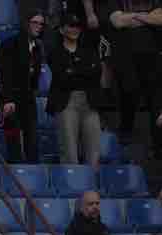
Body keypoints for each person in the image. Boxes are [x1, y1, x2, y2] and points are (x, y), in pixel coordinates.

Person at [107, 0, 162, 146]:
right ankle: (126, 130)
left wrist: (131, 17)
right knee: (129, 93)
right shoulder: (116, 3)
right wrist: (147, 17)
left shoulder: (154, 2)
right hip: (126, 59)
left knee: (156, 101)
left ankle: (158, 143)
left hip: (152, 58)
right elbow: (117, 21)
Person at [47, 13, 104, 168]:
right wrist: (84, 72)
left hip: (90, 101)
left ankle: (92, 189)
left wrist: (73, 72)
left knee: (94, 151)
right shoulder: (55, 53)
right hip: (66, 102)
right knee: (69, 151)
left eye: (77, 26)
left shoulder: (89, 51)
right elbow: (62, 78)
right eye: (71, 26)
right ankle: (71, 189)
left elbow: (96, 74)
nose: (75, 29)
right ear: (62, 29)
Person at [0, 10, 46, 162]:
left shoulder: (37, 47)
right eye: (35, 22)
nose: (39, 26)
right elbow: (4, 74)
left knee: (32, 141)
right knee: (13, 142)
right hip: (11, 99)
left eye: (41, 24)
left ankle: (31, 178)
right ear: (26, 24)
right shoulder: (9, 45)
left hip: (28, 99)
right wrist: (8, 100)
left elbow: (34, 76)